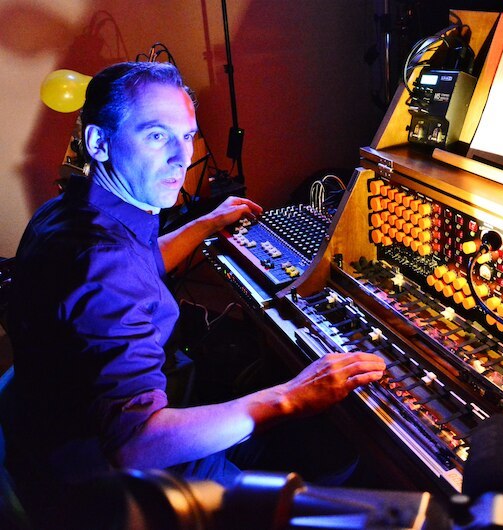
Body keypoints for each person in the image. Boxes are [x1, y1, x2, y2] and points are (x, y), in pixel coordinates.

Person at [5, 61, 385, 523]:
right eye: (156, 135)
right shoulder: (103, 262)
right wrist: (289, 396)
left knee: (304, 440)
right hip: (108, 481)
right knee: (331, 496)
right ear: (99, 143)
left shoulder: (69, 211)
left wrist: (206, 223)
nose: (181, 158)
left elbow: (138, 264)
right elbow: (136, 445)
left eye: (186, 136)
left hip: (45, 435)